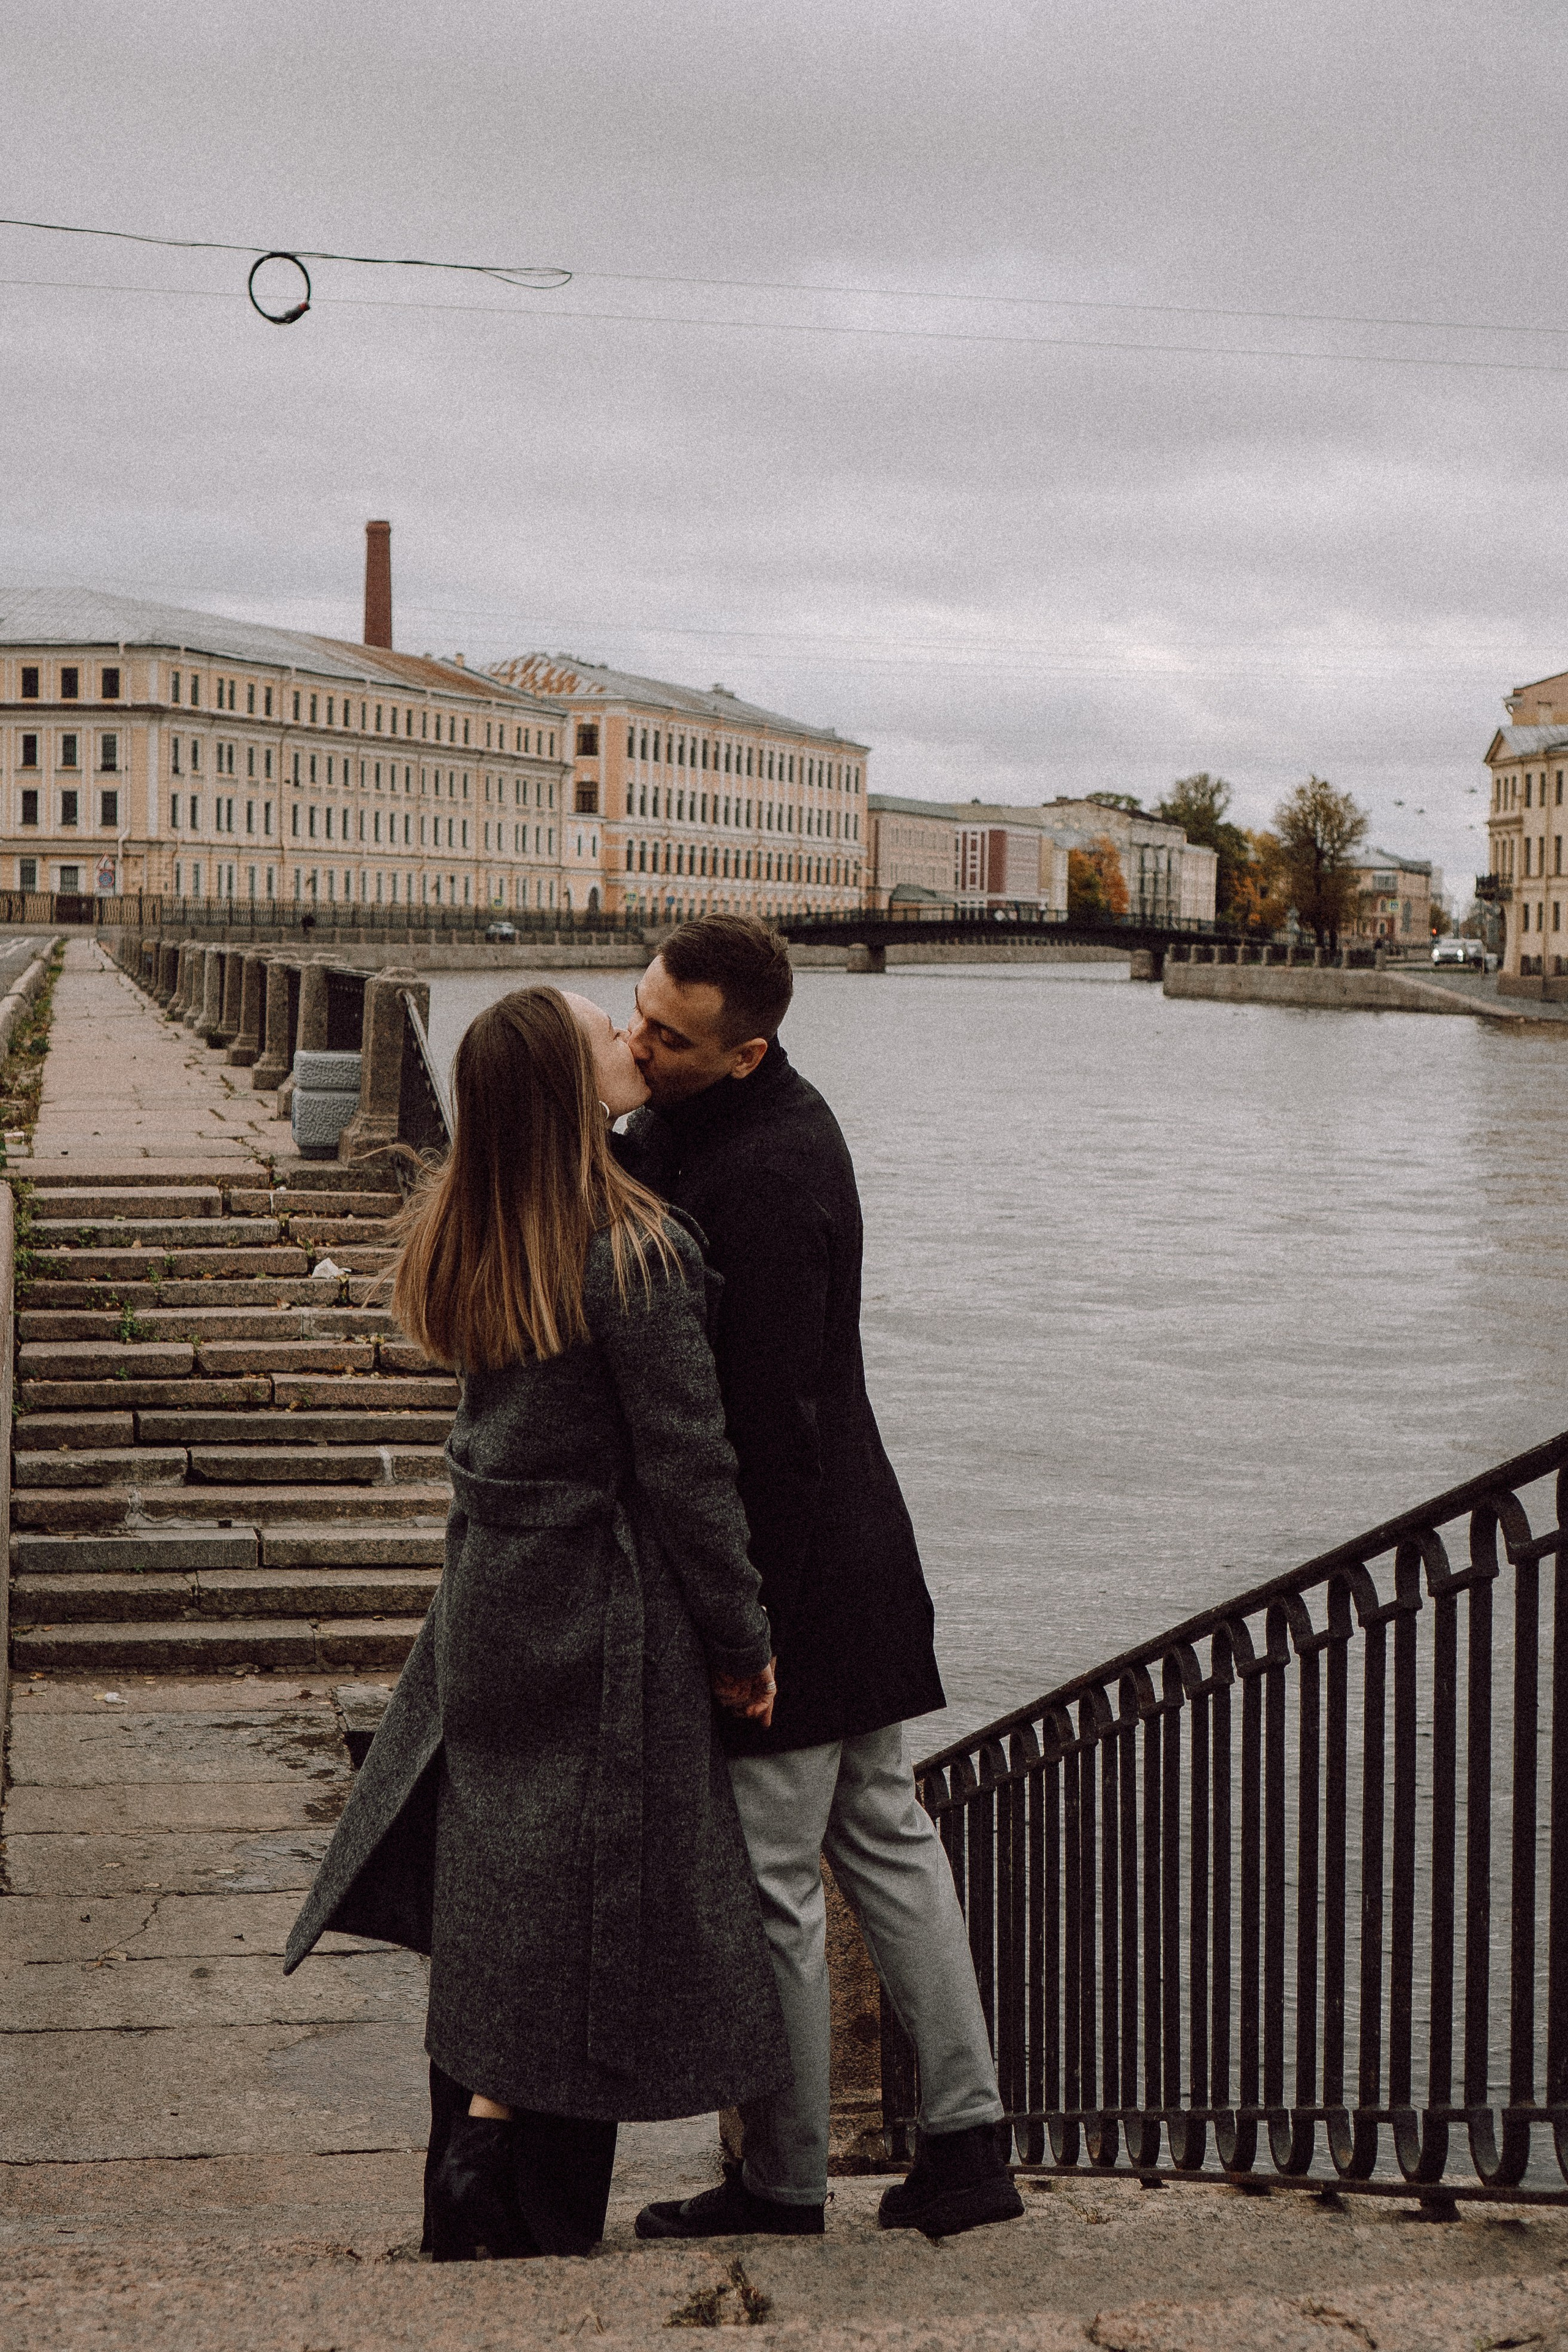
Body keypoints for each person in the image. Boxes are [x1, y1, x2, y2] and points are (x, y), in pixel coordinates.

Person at [284, 984, 790, 2261]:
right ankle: (521, 2194)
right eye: (603, 1035)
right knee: (595, 1900)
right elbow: (691, 1472)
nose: (633, 1041)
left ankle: (468, 2163)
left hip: (489, 1600)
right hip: (600, 1610)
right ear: (571, 1092)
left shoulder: (460, 1228)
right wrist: (741, 1641)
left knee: (501, 1885)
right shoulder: (635, 1254)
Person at [619, 915, 1022, 2243]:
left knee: (779, 1882)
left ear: (745, 1052)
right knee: (890, 1845)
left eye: (665, 1038)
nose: (638, 1044)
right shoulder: (749, 1125)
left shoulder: (769, 1178)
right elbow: (650, 1158)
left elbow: (771, 1423)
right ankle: (966, 2143)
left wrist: (748, 1636)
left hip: (799, 1575)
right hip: (859, 1557)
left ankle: (783, 2178)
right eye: (636, 1016)